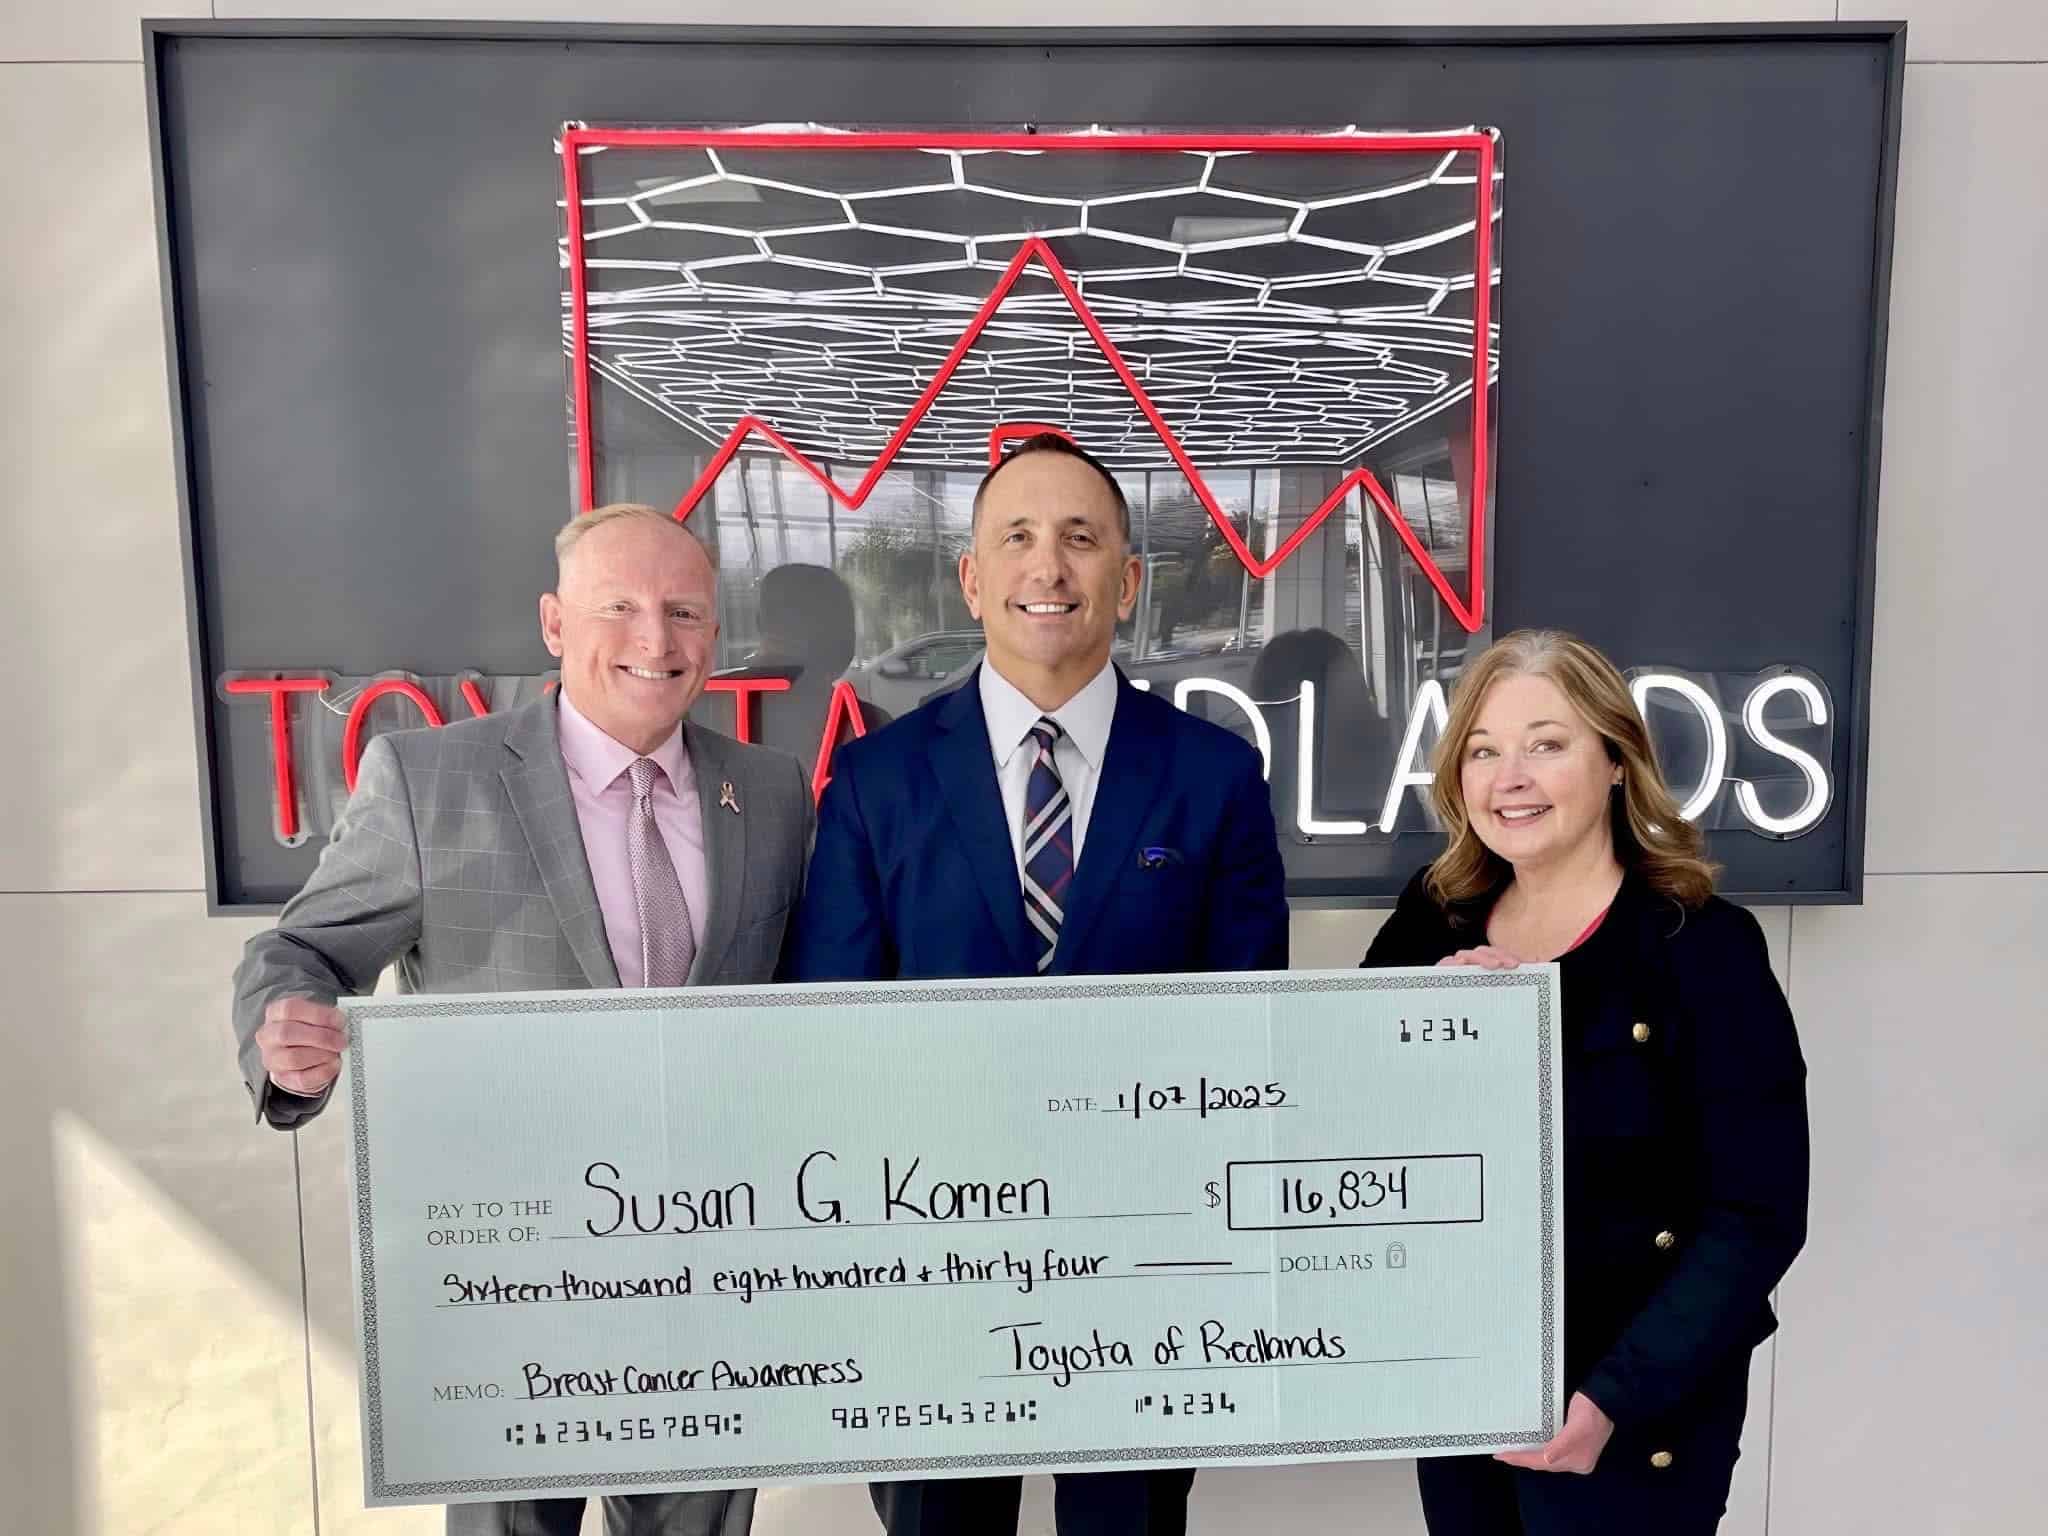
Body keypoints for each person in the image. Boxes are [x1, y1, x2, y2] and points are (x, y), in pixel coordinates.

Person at [231, 502, 814, 1536]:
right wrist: (289, 1035)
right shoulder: (429, 779)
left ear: (714, 636)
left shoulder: (770, 792)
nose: (654, 638)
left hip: (713, 1273)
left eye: (683, 611)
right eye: (618, 606)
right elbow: (301, 950)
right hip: (510, 1278)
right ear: (554, 623)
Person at [788, 432, 1289, 1536]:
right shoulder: (874, 781)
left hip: (1142, 1270)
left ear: (1128, 578)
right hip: (929, 1268)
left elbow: (1248, 1034)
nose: (1047, 566)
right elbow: (828, 1040)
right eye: (1016, 538)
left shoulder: (1215, 777)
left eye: (1079, 538)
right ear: (972, 580)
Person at [1362, 629, 1808, 1536]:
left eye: (1546, 744)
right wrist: (1408, 1021)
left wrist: (1615, 1397)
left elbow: (1755, 1214)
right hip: (1464, 1383)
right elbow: (1341, 1120)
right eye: (1483, 751)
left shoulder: (1702, 945)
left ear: (1615, 761)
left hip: (1632, 1412)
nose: (1510, 778)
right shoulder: (1430, 921)